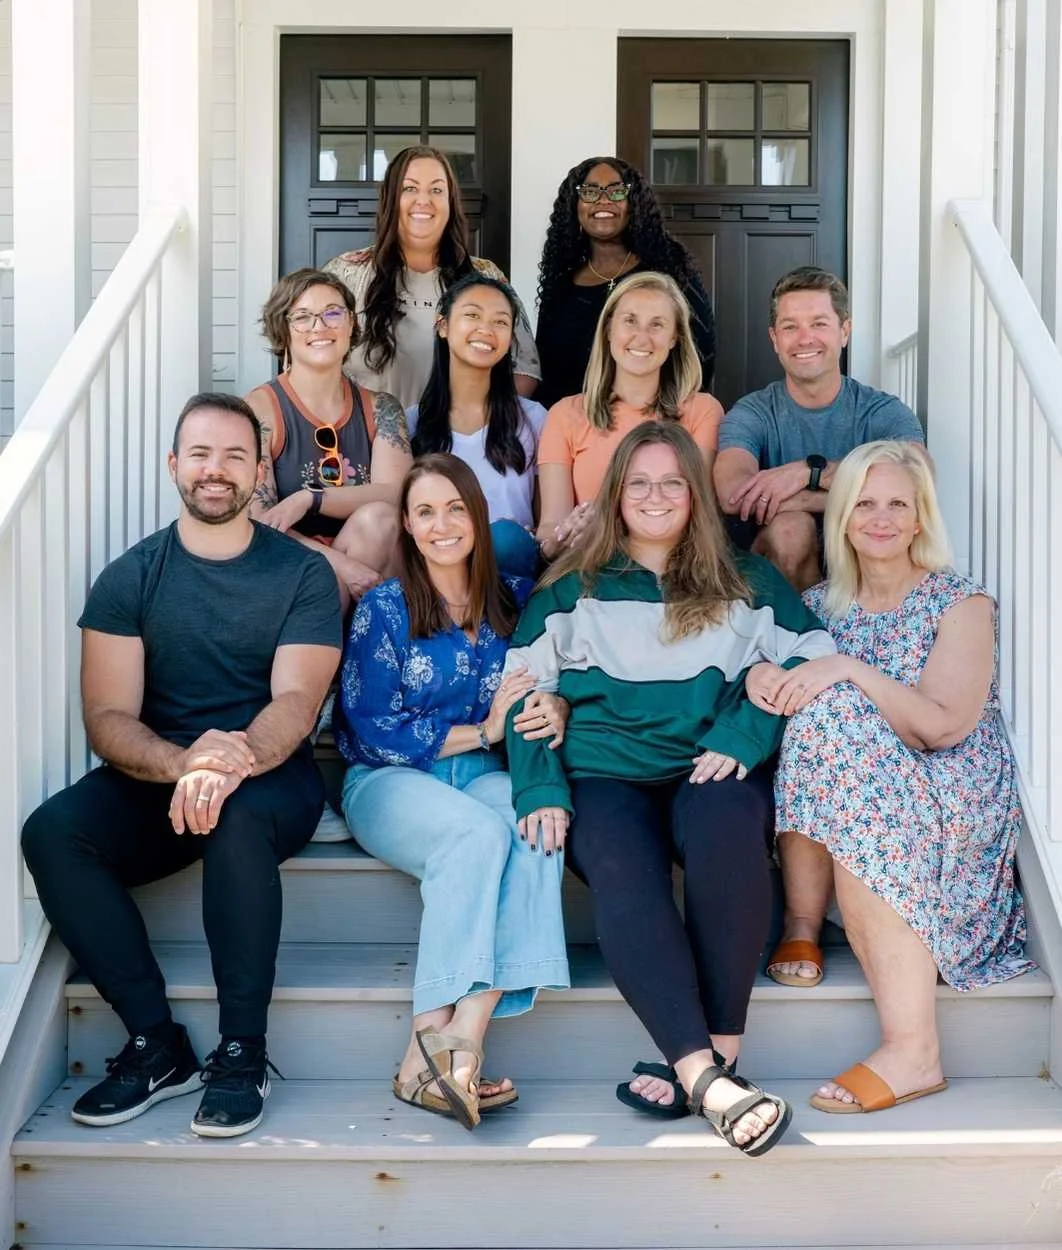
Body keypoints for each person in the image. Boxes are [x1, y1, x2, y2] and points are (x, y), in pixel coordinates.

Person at [505, 422, 835, 1156]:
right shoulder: (567, 591)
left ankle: (721, 1048)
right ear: (616, 494)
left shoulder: (747, 582)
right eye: (639, 483)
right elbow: (526, 697)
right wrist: (538, 789)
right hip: (602, 772)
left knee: (727, 831)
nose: (655, 497)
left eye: (672, 483)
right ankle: (706, 1076)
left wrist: (746, 733)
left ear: (695, 494)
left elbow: (816, 664)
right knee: (625, 872)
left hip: (705, 763)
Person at [21, 394, 342, 1138]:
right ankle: (155, 1042)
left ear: (260, 470)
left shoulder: (301, 574)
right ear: (174, 465)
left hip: (272, 775)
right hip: (164, 773)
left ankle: (242, 1051)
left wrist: (229, 764)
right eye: (200, 454)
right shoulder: (131, 577)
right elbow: (106, 718)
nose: (216, 470)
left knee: (237, 820)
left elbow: (296, 703)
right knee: (53, 832)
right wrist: (183, 762)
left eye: (235, 455)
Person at [760, 440, 1033, 1113]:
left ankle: (914, 1048)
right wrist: (768, 676)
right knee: (822, 720)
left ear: (920, 519)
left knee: (840, 714)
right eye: (865, 503)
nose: (880, 518)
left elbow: (940, 726)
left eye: (898, 505)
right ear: (844, 516)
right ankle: (803, 920)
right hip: (867, 787)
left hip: (947, 787)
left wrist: (850, 671)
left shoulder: (960, 602)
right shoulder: (820, 605)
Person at [335, 454, 570, 1130]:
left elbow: (552, 677)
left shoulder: (516, 599)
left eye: (454, 509)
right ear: (406, 526)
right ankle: (429, 1043)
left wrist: (554, 710)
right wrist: (485, 728)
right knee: (476, 834)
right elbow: (371, 728)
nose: (442, 526)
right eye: (425, 513)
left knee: (535, 824)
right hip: (389, 780)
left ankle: (457, 1038)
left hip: (482, 776)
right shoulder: (384, 608)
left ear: (477, 516)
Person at [713, 266, 925, 590]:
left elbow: (919, 477)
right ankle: (797, 637)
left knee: (884, 521)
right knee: (792, 529)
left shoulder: (880, 411)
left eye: (819, 324)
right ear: (774, 339)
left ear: (844, 331)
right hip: (780, 573)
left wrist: (804, 473)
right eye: (790, 326)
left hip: (866, 555)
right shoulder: (753, 412)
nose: (805, 338)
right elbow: (732, 495)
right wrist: (857, 492)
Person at [247, 268, 412, 612]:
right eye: (303, 317)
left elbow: (398, 494)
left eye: (332, 313)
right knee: (326, 583)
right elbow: (260, 523)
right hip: (290, 566)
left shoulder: (382, 409)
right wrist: (342, 567)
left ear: (351, 324)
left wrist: (310, 499)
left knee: (381, 518)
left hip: (372, 558)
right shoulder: (260, 410)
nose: (319, 327)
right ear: (284, 329)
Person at [324, 145, 540, 407]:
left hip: (452, 444)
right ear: (390, 198)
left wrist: (479, 429)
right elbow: (306, 357)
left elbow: (525, 370)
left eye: (437, 190)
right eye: (409, 188)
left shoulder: (485, 277)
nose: (423, 200)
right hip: (365, 440)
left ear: (451, 201)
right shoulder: (345, 274)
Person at [536, 271, 722, 561]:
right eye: (630, 320)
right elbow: (550, 529)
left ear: (675, 338)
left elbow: (700, 519)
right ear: (609, 329)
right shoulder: (564, 415)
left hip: (672, 570)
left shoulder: (703, 411)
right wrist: (563, 538)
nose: (642, 337)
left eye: (657, 324)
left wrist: (610, 530)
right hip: (588, 570)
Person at [535, 156, 716, 408]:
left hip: (657, 420)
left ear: (634, 204)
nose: (603, 200)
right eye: (589, 191)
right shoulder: (561, 283)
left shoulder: (669, 269)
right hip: (575, 426)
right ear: (574, 206)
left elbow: (702, 353)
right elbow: (547, 368)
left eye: (617, 191)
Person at [407, 272, 547, 579]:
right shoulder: (411, 423)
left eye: (500, 322)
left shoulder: (534, 419)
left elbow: (546, 524)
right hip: (437, 573)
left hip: (509, 575)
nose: (486, 329)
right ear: (442, 325)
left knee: (506, 540)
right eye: (472, 315)